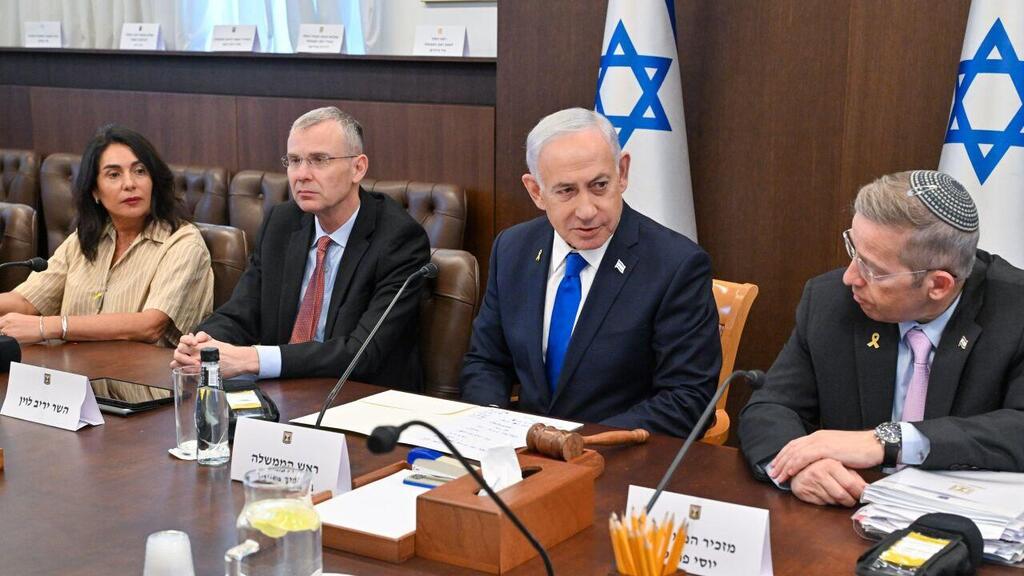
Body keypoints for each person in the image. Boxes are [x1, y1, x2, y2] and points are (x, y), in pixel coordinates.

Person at [739, 170, 1024, 507]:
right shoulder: (830, 300)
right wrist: (799, 468)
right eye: (853, 251)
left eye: (873, 269)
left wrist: (889, 441)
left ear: (939, 285)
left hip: (968, 520)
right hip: (850, 515)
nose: (850, 277)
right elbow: (771, 407)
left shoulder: (1014, 312)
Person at [460, 107, 721, 438]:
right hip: (522, 458)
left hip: (618, 461)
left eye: (599, 185)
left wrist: (577, 443)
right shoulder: (513, 249)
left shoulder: (676, 265)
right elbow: (486, 361)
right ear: (536, 191)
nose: (586, 211)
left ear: (622, 173)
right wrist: (492, 427)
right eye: (566, 191)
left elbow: (688, 400)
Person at [171, 107, 429, 388]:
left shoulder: (399, 239)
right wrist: (203, 344)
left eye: (319, 160)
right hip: (284, 392)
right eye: (294, 161)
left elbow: (362, 353)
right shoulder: (283, 223)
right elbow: (243, 311)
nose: (301, 175)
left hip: (360, 398)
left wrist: (253, 359)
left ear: (358, 168)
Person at [0, 125, 213, 347]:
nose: (130, 184)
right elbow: (27, 301)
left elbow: (150, 325)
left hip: (141, 379)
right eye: (114, 174)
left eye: (140, 171)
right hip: (75, 374)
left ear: (154, 181)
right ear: (95, 191)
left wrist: (48, 327)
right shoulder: (85, 238)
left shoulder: (183, 243)